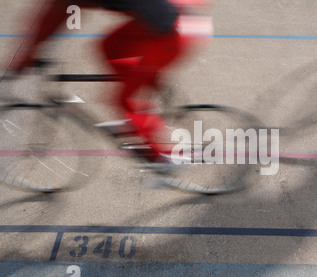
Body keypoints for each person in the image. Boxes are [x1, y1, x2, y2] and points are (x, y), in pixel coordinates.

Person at [10, 0, 212, 162]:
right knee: (109, 46)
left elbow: (56, 13)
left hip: (176, 31)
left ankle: (164, 159)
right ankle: (141, 96)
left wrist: (25, 58)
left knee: (122, 99)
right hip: (174, 16)